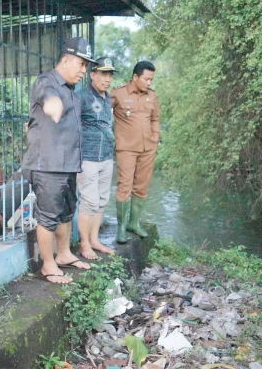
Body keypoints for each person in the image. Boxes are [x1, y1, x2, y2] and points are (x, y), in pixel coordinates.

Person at [22, 37, 97, 284]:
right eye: (81, 64)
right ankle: (48, 264)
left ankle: (64, 255)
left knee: (66, 213)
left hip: (67, 165)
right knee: (48, 216)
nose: (84, 70)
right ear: (66, 60)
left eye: (87, 66)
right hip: (47, 165)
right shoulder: (48, 82)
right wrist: (52, 104)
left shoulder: (72, 94)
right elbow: (47, 96)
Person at [111, 61, 160, 243]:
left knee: (141, 187)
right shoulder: (118, 93)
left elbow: (155, 118)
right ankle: (121, 228)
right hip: (126, 148)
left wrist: (155, 136)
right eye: (146, 79)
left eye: (151, 79)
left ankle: (134, 223)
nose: (149, 83)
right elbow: (99, 111)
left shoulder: (151, 96)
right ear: (135, 77)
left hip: (147, 148)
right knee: (124, 186)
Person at [76, 57, 117, 260]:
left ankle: (94, 240)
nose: (107, 79)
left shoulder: (107, 97)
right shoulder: (81, 96)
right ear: (92, 75)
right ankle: (84, 244)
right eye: (103, 74)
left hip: (106, 157)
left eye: (110, 75)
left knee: (101, 201)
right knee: (89, 202)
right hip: (88, 158)